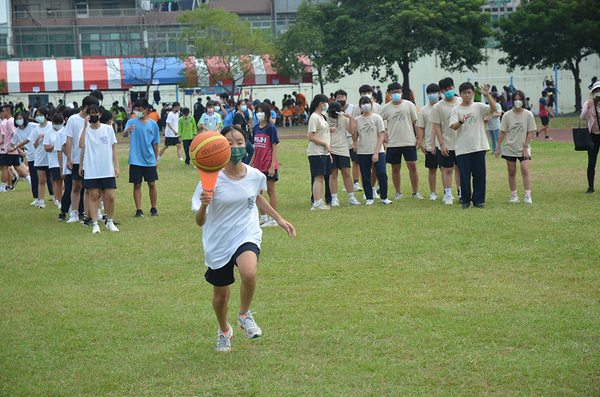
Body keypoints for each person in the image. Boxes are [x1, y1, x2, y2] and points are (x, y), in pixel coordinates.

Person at [192, 125, 296, 352]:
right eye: (229, 143)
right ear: (219, 147)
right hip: (218, 241)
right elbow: (200, 221)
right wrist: (203, 204)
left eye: (240, 142)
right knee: (221, 298)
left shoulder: (255, 175)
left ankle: (244, 314)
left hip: (246, 233)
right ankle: (224, 330)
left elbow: (256, 196)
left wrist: (277, 218)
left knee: (249, 272)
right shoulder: (210, 178)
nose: (236, 147)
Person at [449, 82, 496, 209]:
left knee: (479, 175)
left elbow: (493, 109)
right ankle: (465, 200)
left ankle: (478, 200)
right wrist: (461, 121)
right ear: (460, 94)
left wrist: (487, 95)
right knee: (464, 176)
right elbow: (453, 126)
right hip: (463, 148)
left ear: (473, 94)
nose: (467, 95)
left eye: (469, 92)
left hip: (479, 146)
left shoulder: (479, 106)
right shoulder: (456, 110)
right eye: (464, 93)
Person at [78, 105, 119, 234]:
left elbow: (113, 148)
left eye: (96, 113)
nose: (93, 115)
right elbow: (81, 145)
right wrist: (85, 126)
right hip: (91, 168)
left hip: (106, 168)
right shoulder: (84, 130)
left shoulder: (108, 129)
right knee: (94, 196)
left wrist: (117, 166)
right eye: (91, 113)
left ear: (100, 115)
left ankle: (110, 221)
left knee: (110, 196)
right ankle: (95, 223)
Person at [379, 82, 421, 200]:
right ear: (389, 94)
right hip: (393, 142)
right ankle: (398, 192)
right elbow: (378, 121)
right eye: (393, 92)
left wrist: (418, 138)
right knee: (395, 167)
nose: (396, 94)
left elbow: (416, 121)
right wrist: (384, 133)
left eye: (398, 91)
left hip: (409, 140)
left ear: (401, 92)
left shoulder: (409, 105)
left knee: (412, 165)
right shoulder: (386, 108)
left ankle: (415, 192)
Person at [496, 90, 537, 204]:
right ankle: (514, 195)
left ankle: (527, 195)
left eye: (519, 99)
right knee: (512, 172)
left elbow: (530, 132)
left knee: (525, 169)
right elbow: (502, 132)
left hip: (523, 147)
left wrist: (525, 146)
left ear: (523, 101)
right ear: (512, 101)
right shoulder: (507, 115)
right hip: (510, 148)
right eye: (515, 99)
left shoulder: (528, 114)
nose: (517, 102)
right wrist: (498, 147)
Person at [123, 98, 160, 217]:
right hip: (135, 159)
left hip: (149, 159)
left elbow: (155, 143)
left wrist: (155, 159)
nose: (137, 112)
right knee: (137, 185)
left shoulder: (153, 124)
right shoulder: (131, 122)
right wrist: (126, 130)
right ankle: (139, 210)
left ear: (146, 110)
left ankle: (153, 208)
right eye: (136, 109)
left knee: (152, 184)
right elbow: (124, 134)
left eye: (139, 110)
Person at [64, 95, 99, 222]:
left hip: (92, 158)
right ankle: (74, 213)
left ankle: (93, 212)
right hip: (78, 158)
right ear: (85, 107)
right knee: (76, 186)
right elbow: (69, 139)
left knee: (94, 187)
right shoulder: (73, 120)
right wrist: (69, 158)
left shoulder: (95, 120)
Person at [354, 96, 392, 205]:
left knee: (381, 173)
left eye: (368, 103)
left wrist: (376, 152)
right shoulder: (357, 119)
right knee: (365, 175)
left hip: (377, 151)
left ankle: (384, 197)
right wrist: (354, 128)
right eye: (363, 103)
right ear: (360, 106)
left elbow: (381, 135)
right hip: (363, 151)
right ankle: (369, 198)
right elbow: (354, 138)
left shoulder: (377, 118)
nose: (366, 105)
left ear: (371, 104)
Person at [431, 77, 462, 205]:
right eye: (445, 90)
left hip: (461, 142)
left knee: (460, 169)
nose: (449, 91)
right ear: (441, 92)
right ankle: (448, 194)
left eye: (450, 89)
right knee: (447, 169)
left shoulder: (461, 101)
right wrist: (441, 144)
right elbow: (437, 126)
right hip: (446, 143)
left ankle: (461, 192)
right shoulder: (438, 107)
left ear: (454, 88)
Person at [249, 102, 280, 224]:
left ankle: (273, 218)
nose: (259, 114)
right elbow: (256, 149)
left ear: (267, 113)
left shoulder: (271, 128)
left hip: (268, 165)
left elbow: (274, 147)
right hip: (258, 166)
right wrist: (250, 165)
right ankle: (263, 217)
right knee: (258, 192)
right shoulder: (256, 128)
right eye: (257, 111)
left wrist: (272, 166)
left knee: (271, 191)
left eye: (261, 111)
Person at [326, 101, 360, 206]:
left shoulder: (344, 117)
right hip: (330, 148)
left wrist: (350, 118)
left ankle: (351, 198)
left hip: (343, 148)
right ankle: (334, 198)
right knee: (333, 174)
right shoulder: (325, 117)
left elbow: (351, 131)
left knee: (346, 173)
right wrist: (328, 129)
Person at [306, 94, 332, 210]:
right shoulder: (314, 117)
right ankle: (316, 203)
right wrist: (325, 144)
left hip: (323, 152)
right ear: (321, 103)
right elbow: (311, 136)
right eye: (325, 102)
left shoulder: (322, 117)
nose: (327, 105)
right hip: (316, 152)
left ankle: (320, 201)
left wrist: (328, 152)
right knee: (318, 178)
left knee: (321, 178)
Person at [416, 83, 441, 200]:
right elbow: (420, 127)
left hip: (444, 144)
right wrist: (421, 143)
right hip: (430, 144)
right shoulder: (424, 110)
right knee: (432, 169)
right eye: (430, 93)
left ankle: (448, 191)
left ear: (439, 93)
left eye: (434, 92)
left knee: (447, 169)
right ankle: (433, 192)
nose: (432, 95)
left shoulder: (443, 106)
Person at [335, 90, 361, 193]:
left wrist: (355, 140)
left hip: (351, 137)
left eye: (342, 97)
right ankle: (345, 184)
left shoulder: (353, 108)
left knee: (355, 161)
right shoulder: (334, 110)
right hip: (340, 139)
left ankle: (356, 182)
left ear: (346, 98)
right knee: (343, 164)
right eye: (338, 97)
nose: (340, 99)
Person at [580, 81, 600, 194]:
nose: (598, 93)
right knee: (591, 162)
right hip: (593, 136)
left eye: (599, 91)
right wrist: (588, 107)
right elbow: (582, 118)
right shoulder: (589, 103)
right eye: (595, 91)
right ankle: (590, 187)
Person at [43, 113, 64, 207]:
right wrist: (56, 146)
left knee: (64, 181)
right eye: (57, 123)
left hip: (64, 159)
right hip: (54, 161)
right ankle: (58, 200)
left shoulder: (65, 131)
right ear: (53, 123)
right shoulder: (48, 133)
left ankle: (64, 199)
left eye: (60, 123)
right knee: (57, 181)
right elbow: (46, 148)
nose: (58, 125)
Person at [0, 104, 19, 192]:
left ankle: (3, 187)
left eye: (3, 111)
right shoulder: (11, 121)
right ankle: (10, 183)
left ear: (8, 111)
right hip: (10, 148)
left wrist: (15, 146)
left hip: (7, 148)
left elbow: (13, 134)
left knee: (5, 167)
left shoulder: (8, 122)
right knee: (15, 167)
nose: (2, 113)